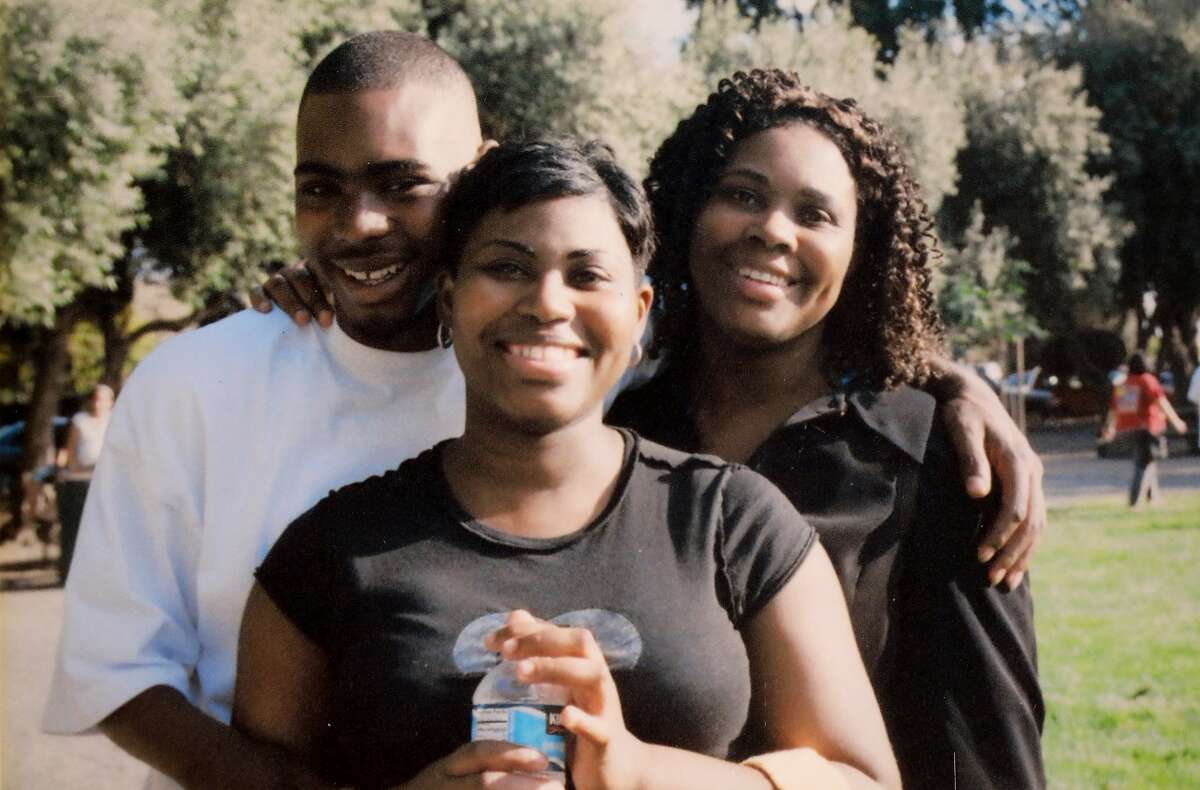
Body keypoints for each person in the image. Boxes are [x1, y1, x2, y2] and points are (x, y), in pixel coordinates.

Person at [233, 138, 901, 790]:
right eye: (507, 268)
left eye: (587, 276)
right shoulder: (332, 550)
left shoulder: (735, 523)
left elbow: (864, 781)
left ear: (637, 315)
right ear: (448, 298)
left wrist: (640, 772)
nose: (548, 304)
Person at [43, 32, 491, 789]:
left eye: (403, 184)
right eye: (320, 189)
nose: (357, 224)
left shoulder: (549, 384)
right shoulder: (195, 381)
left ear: (479, 172)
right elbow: (113, 670)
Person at [605, 69, 1045, 789]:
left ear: (859, 256)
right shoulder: (619, 433)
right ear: (687, 210)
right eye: (741, 194)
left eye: (815, 215)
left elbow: (990, 761)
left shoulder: (939, 455)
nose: (772, 229)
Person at [1102, 351, 1187, 506]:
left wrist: (1110, 428)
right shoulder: (1147, 381)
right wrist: (1176, 422)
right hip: (1146, 428)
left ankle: (1153, 498)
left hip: (1126, 428)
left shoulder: (1122, 384)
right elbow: (1162, 402)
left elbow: (1114, 409)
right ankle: (1134, 501)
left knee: (1148, 460)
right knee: (1143, 464)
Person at [55, 384, 115, 578]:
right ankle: (68, 572)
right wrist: (84, 468)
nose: (98, 404)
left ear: (111, 403)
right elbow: (71, 456)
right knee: (74, 529)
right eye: (95, 399)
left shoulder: (115, 421)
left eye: (102, 400)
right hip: (80, 481)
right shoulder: (79, 421)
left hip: (106, 483)